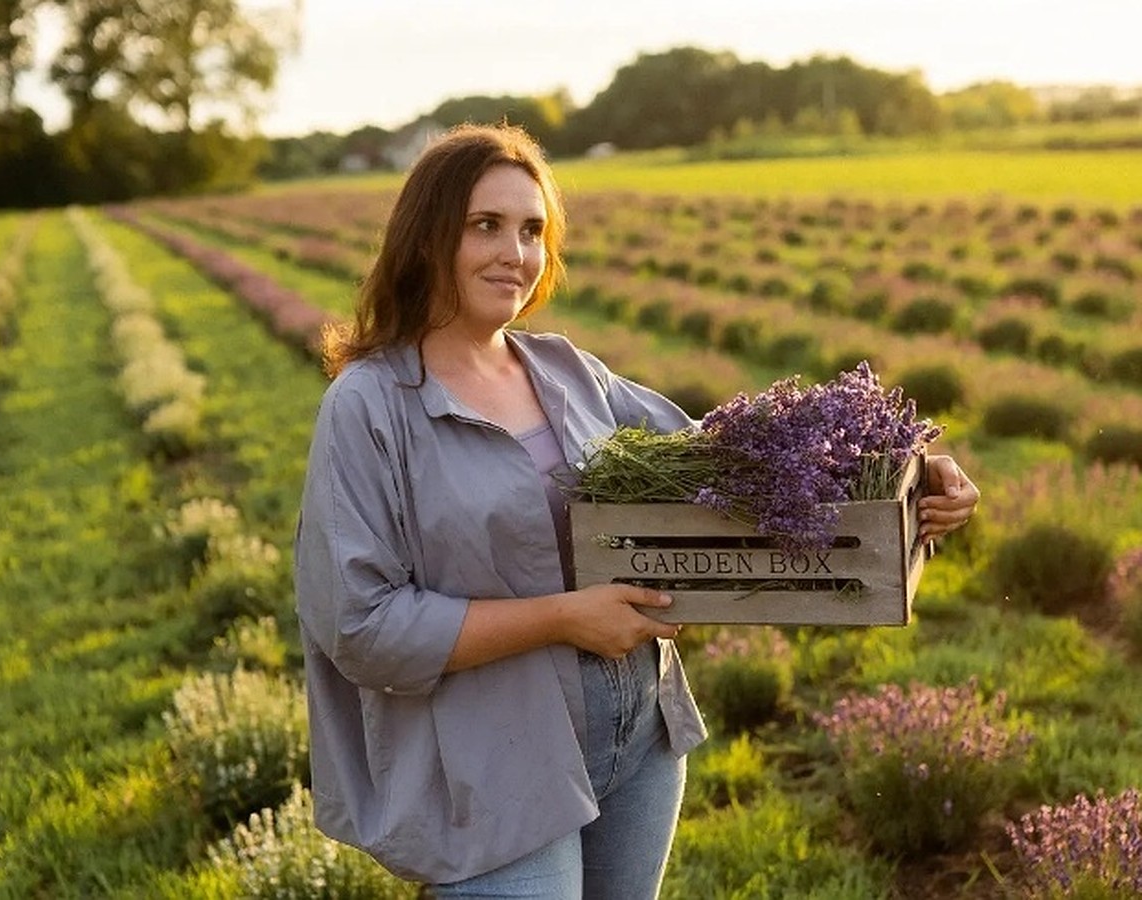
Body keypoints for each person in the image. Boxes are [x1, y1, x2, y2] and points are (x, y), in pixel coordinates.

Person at [293, 122, 980, 899]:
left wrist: (902, 469)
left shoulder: (564, 371)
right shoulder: (371, 406)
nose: (514, 254)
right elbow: (360, 625)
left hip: (640, 737)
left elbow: (724, 463)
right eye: (484, 225)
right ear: (426, 238)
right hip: (494, 763)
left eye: (531, 231)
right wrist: (563, 618)